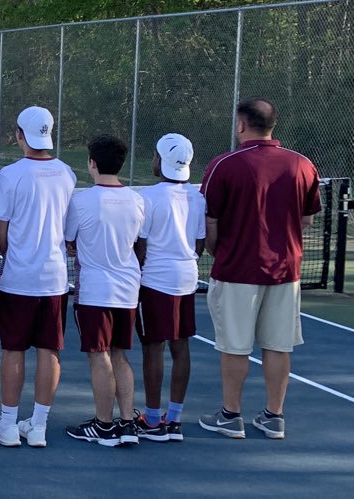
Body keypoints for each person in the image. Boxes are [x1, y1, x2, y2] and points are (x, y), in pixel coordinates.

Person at [199, 99, 320, 440]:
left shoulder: (224, 165)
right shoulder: (302, 164)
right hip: (286, 273)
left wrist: (219, 251)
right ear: (272, 124)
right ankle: (273, 416)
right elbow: (307, 219)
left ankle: (230, 415)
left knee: (234, 347)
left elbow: (211, 222)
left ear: (241, 124)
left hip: (237, 271)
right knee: (279, 345)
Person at [0, 106, 76, 450]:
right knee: (49, 350)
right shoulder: (67, 174)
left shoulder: (10, 175)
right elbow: (69, 231)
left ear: (19, 135)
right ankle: (37, 426)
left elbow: (0, 227)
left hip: (19, 279)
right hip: (55, 279)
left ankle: (9, 425)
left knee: (13, 350)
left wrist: (13, 254)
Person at [63, 135, 145, 447]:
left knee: (99, 357)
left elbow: (70, 241)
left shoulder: (81, 201)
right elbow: (138, 241)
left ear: (92, 164)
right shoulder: (137, 200)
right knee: (119, 355)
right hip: (127, 291)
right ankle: (127, 423)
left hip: (95, 292)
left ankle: (104, 425)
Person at [133, 133, 203, 442]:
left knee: (153, 347)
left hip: (155, 280)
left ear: (160, 161)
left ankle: (151, 419)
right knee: (180, 346)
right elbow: (199, 244)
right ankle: (173, 419)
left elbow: (140, 244)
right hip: (187, 277)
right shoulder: (198, 197)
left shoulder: (148, 197)